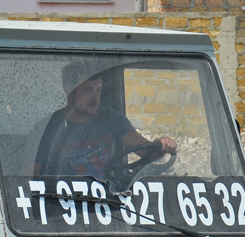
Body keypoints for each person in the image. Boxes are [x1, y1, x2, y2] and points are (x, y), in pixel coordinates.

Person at [28, 62, 176, 177]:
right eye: (87, 90)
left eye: (98, 90)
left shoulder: (111, 119)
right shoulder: (47, 129)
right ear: (69, 90)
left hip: (105, 203)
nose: (95, 97)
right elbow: (27, 178)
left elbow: (147, 152)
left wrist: (161, 146)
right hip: (62, 205)